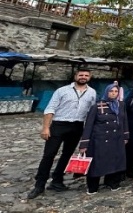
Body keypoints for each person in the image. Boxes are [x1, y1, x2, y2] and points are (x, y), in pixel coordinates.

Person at [28, 68, 97, 199]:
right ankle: (39, 185)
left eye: (86, 75)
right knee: (49, 154)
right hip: (59, 125)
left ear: (89, 77)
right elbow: (50, 108)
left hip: (77, 126)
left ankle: (57, 180)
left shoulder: (92, 93)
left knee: (67, 155)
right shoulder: (62, 91)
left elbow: (91, 113)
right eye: (81, 75)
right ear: (75, 76)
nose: (83, 77)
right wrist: (46, 128)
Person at [79, 83, 129, 194]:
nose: (114, 93)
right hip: (100, 139)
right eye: (111, 91)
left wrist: (125, 135)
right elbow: (89, 125)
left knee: (114, 161)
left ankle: (112, 182)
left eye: (116, 91)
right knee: (97, 164)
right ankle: (93, 186)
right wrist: (84, 143)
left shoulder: (121, 105)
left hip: (116, 138)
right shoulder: (97, 106)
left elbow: (124, 120)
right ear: (107, 92)